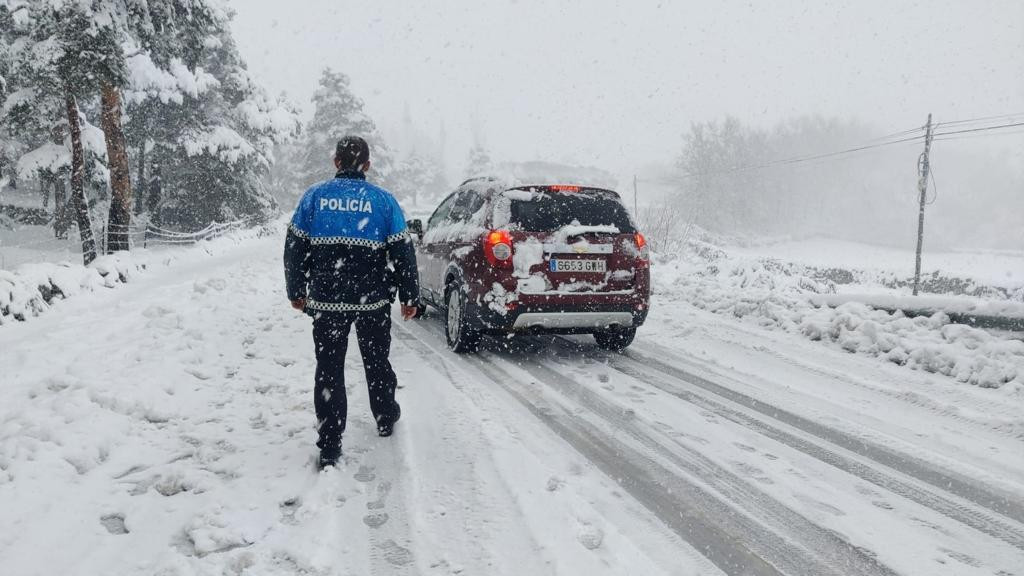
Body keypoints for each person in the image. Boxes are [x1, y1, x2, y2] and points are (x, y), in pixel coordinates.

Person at [283, 135, 420, 470]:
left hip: (328, 301)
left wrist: (296, 289)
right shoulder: (384, 202)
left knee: (329, 370)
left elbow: (295, 246)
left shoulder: (314, 197)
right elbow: (403, 252)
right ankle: (385, 414)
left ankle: (330, 445)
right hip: (372, 300)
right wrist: (409, 295)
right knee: (376, 361)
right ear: (367, 166)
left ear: (336, 162)